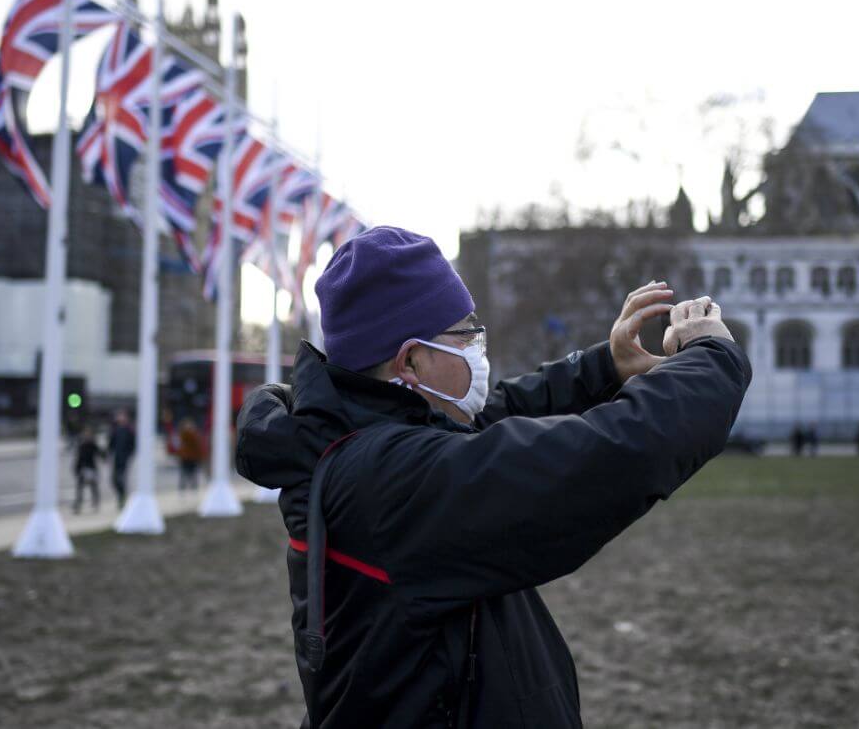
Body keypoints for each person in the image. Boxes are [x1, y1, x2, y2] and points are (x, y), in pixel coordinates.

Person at [235, 226, 751, 728]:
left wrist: (605, 367)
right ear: (411, 361)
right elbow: (604, 456)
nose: (478, 348)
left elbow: (496, 416)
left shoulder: (360, 438)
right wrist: (713, 356)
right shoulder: (390, 479)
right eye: (465, 333)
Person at [107, 410, 136, 508]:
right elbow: (111, 444)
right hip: (116, 458)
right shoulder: (115, 430)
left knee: (121, 479)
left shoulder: (129, 430)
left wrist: (129, 455)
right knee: (114, 480)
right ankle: (122, 495)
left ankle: (122, 497)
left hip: (124, 458)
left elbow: (133, 445)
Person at [72, 426, 104, 513]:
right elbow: (79, 458)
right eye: (85, 435)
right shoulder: (81, 445)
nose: (86, 436)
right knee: (80, 488)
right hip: (83, 469)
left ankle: (95, 503)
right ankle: (78, 505)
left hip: (91, 468)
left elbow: (101, 454)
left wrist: (104, 456)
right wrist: (76, 468)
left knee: (93, 487)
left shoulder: (93, 445)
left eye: (88, 435)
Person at [177, 418, 203, 492]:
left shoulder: (190, 434)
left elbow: (197, 446)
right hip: (187, 457)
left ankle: (191, 486)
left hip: (191, 457)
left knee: (191, 473)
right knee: (186, 473)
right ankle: (186, 486)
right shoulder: (185, 434)